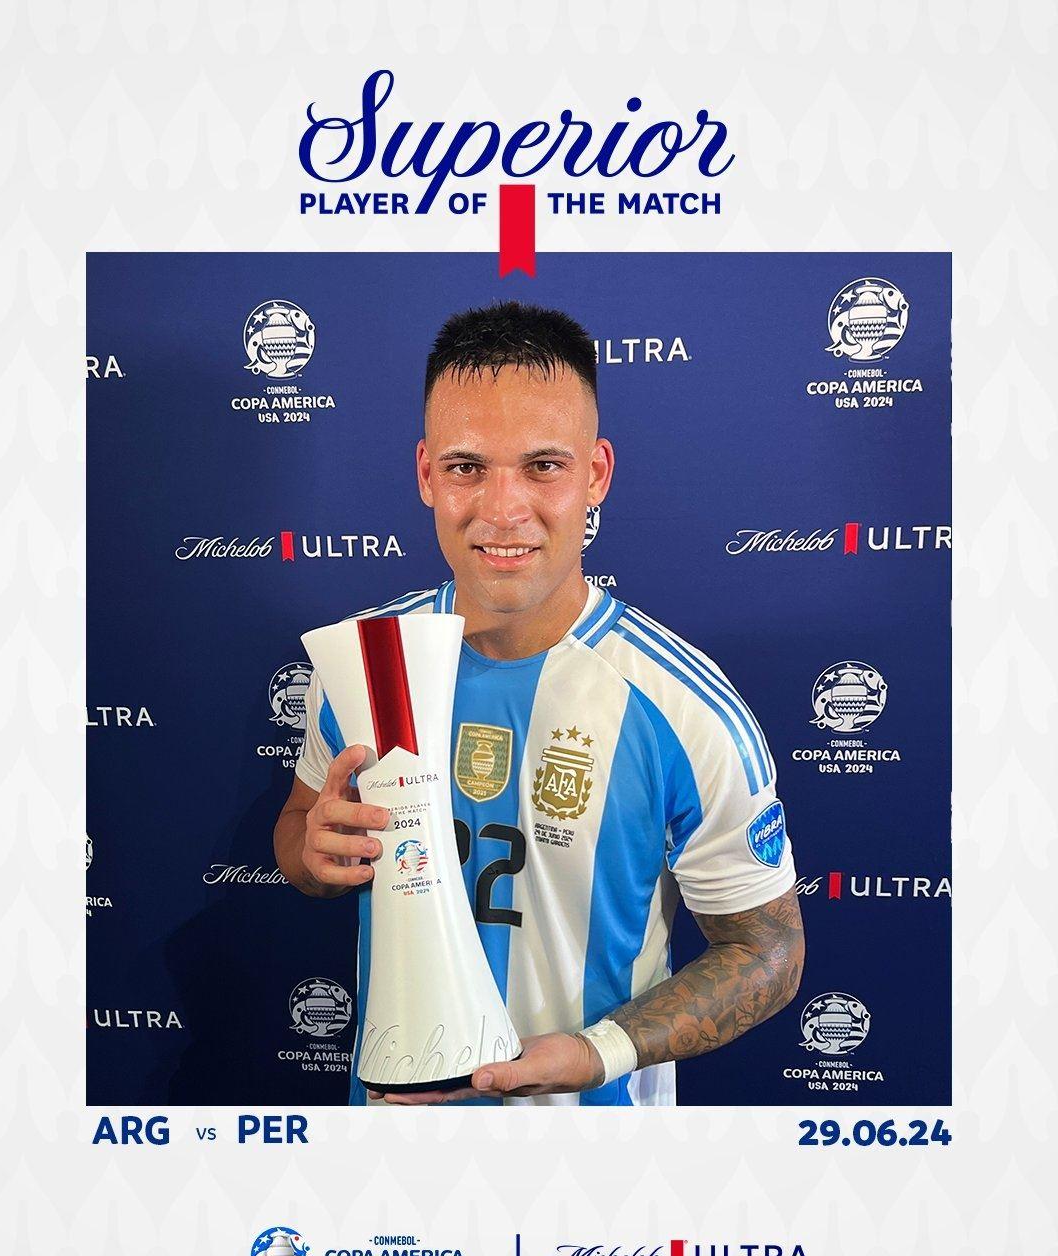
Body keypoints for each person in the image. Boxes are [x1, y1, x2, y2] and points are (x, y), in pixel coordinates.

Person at [274, 300, 803, 1106]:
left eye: (543, 466)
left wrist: (596, 1053)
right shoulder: (366, 662)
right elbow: (297, 834)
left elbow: (768, 952)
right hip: (391, 1141)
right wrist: (314, 856)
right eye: (466, 467)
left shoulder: (681, 708)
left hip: (590, 1155)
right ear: (426, 474)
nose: (503, 510)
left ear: (596, 474)